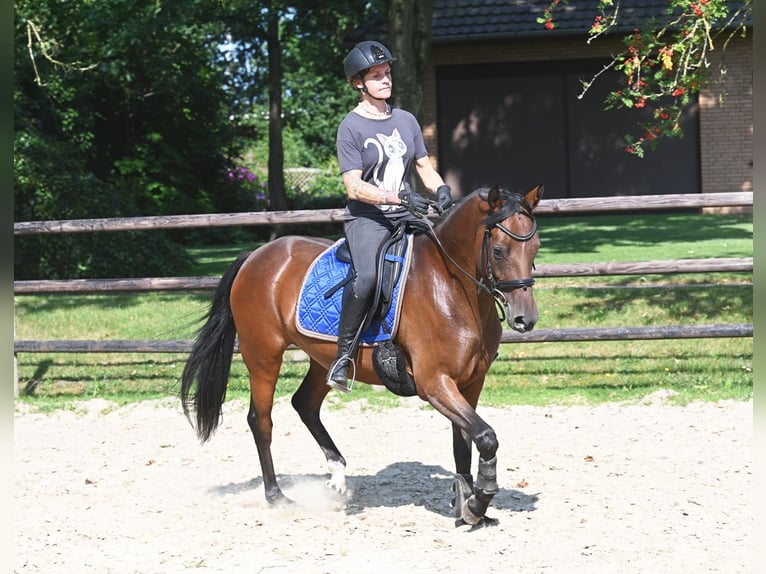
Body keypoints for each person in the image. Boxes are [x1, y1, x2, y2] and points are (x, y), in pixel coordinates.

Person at [327, 40, 453, 392]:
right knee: (367, 276)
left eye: (388, 74)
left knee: (448, 255)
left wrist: (440, 188)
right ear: (359, 83)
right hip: (368, 219)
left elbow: (424, 167)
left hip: (406, 213)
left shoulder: (406, 120)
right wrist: (396, 196)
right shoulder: (349, 127)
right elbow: (353, 187)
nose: (386, 80)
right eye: (377, 76)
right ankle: (343, 356)